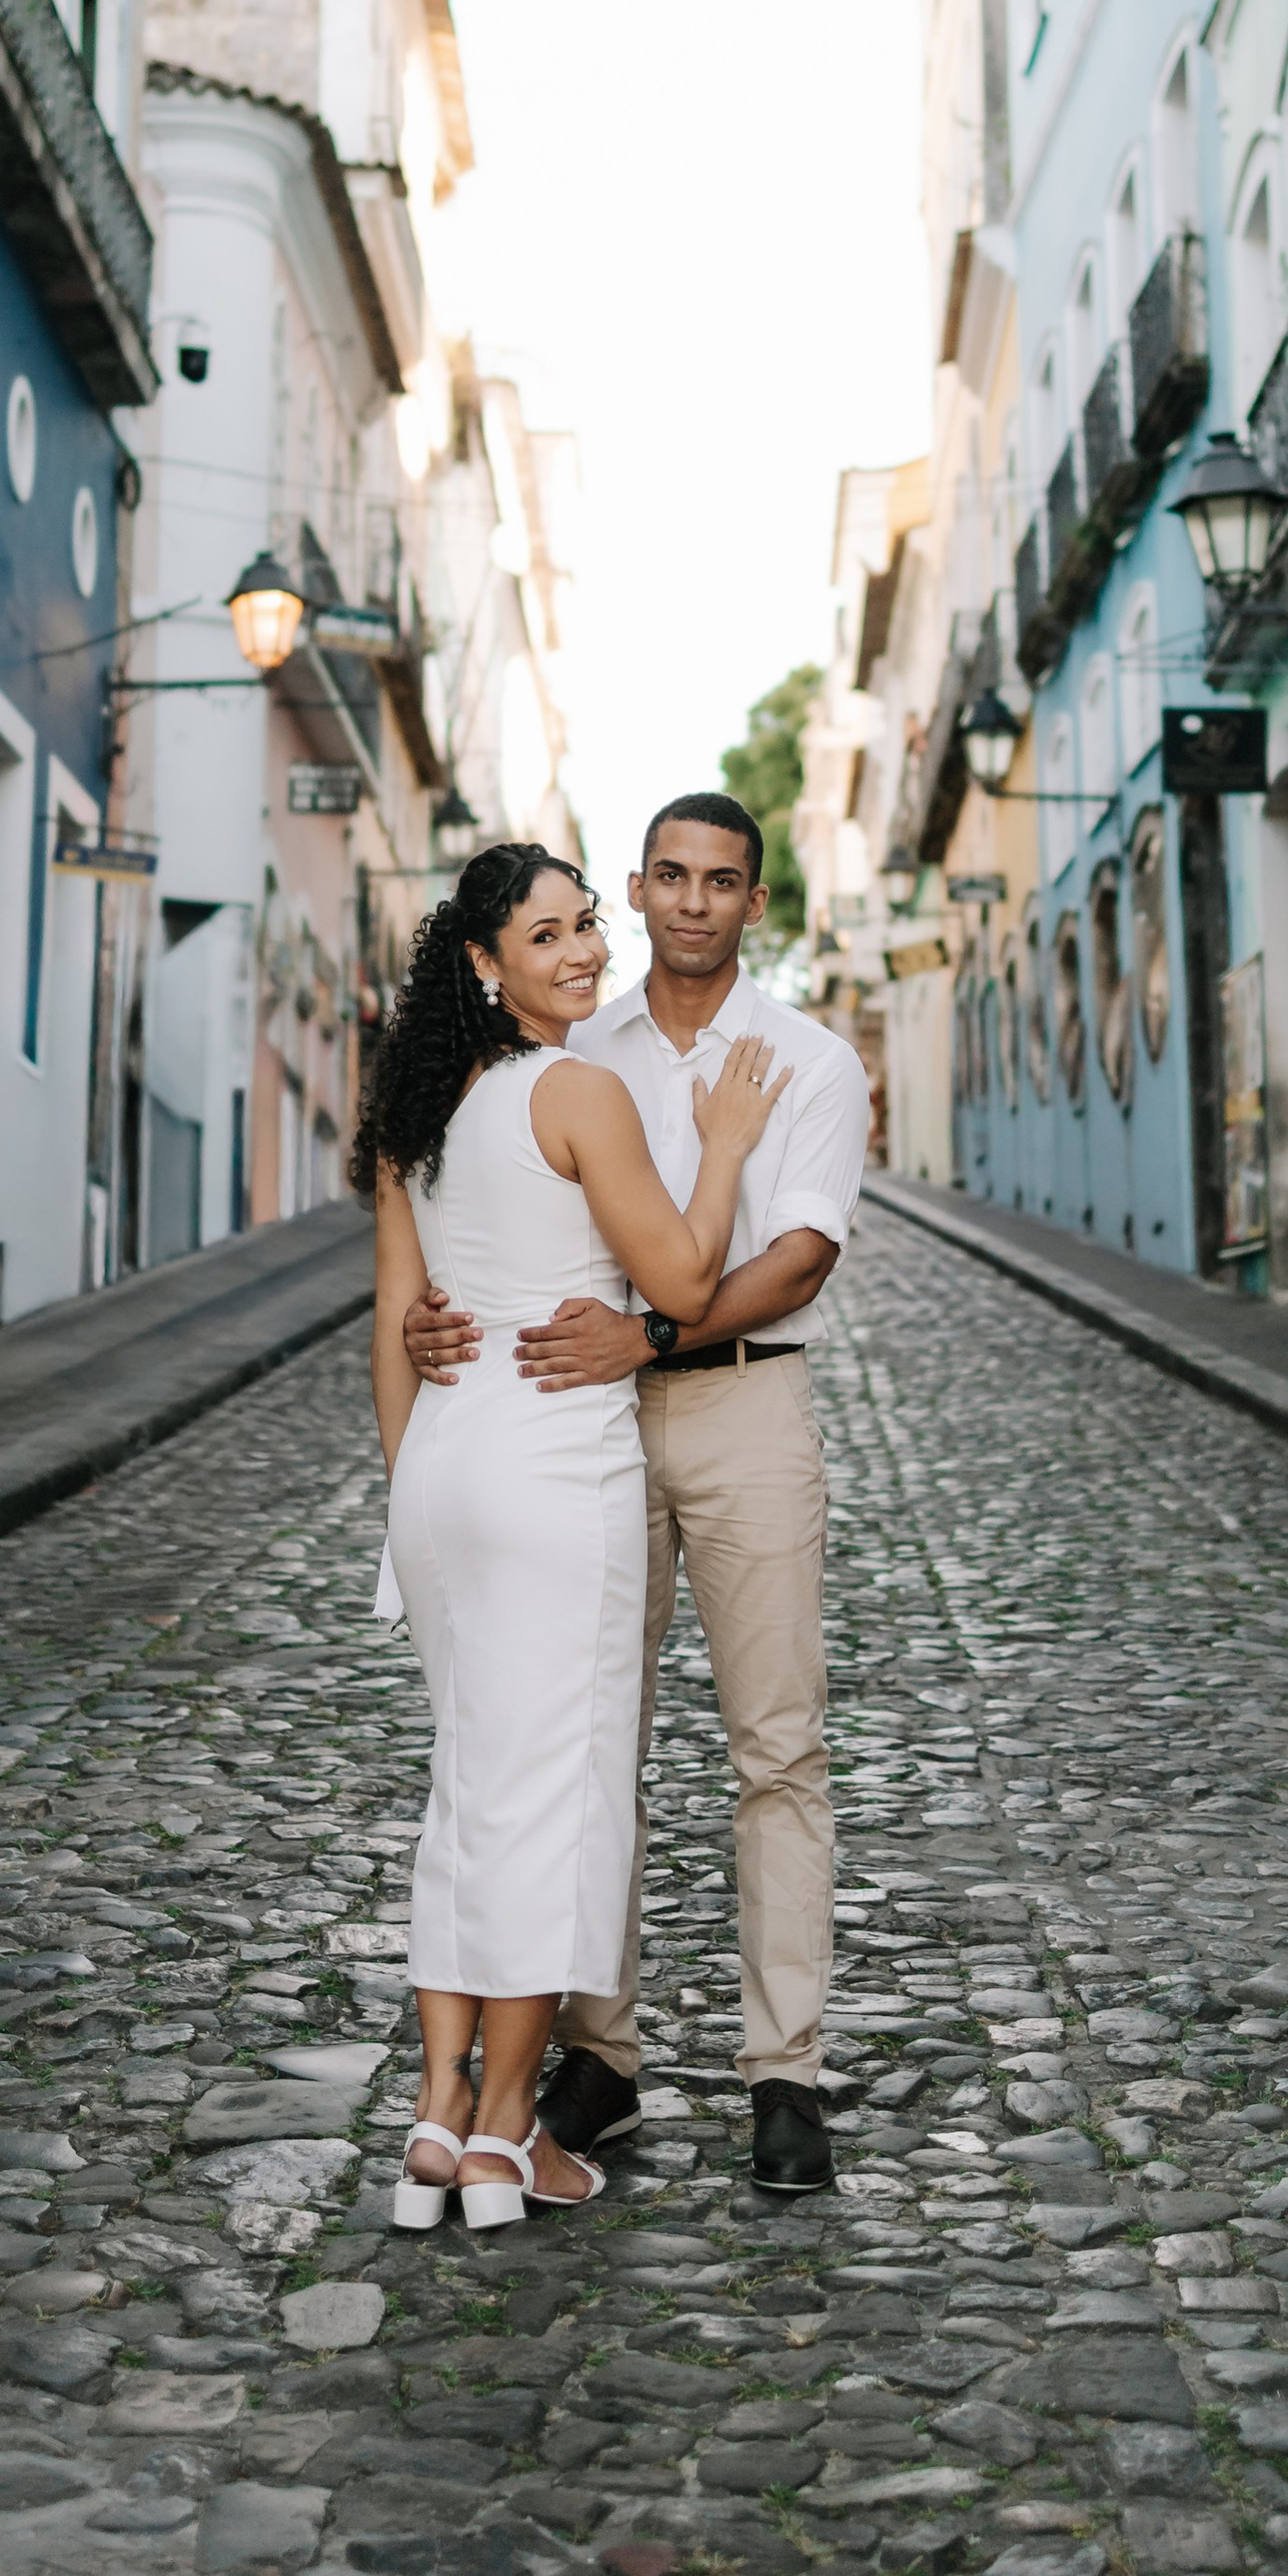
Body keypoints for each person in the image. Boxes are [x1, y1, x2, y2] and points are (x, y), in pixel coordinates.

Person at [403, 793, 869, 2193]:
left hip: (741, 1408)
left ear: (756, 901)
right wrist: (436, 1322)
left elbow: (797, 1256)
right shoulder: (567, 1040)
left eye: (722, 881)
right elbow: (487, 1213)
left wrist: (655, 1334)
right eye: (665, 876)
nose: (689, 903)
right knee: (586, 1742)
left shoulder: (809, 1058)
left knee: (774, 1744)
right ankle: (599, 2048)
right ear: (633, 887)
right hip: (573, 1427)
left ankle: (784, 2066)